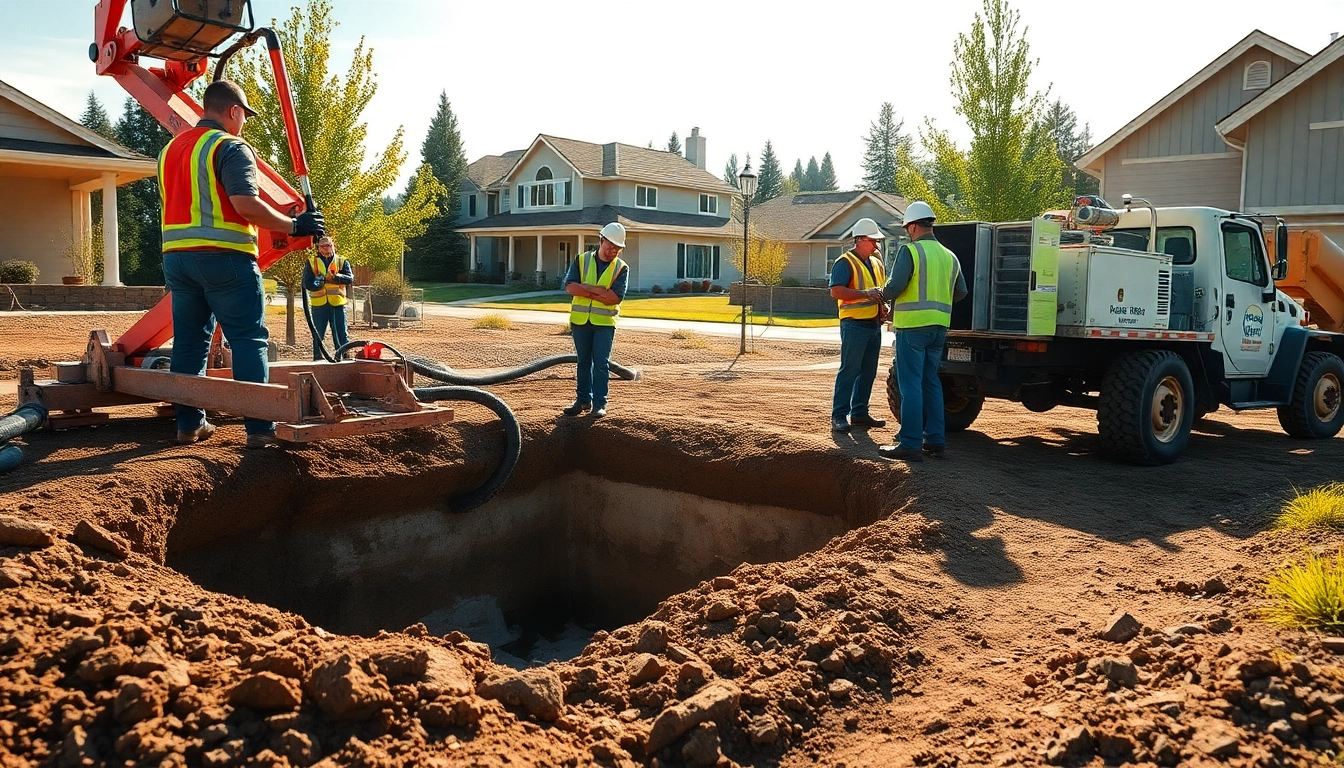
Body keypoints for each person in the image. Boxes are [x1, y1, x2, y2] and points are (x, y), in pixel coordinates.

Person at [160, 80, 325, 449]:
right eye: (244, 116)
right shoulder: (231, 146)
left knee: (188, 342)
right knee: (249, 341)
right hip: (225, 258)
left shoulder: (170, 151)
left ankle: (188, 426)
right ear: (233, 111)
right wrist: (295, 225)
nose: (244, 123)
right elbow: (245, 204)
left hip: (177, 260)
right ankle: (259, 430)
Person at [877, 200, 967, 462]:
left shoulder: (911, 252)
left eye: (907, 228)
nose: (907, 232)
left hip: (912, 329)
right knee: (931, 382)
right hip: (939, 329)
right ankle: (935, 440)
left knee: (910, 386)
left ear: (914, 226)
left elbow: (894, 287)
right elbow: (961, 292)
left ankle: (910, 443)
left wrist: (879, 294)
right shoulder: (950, 256)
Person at [829, 217, 890, 433]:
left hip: (873, 324)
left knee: (868, 371)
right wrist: (866, 295)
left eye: (877, 242)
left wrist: (884, 306)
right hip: (854, 325)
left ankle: (859, 413)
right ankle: (839, 415)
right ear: (860, 239)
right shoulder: (845, 262)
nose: (876, 245)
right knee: (850, 370)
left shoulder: (876, 263)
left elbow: (879, 291)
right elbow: (836, 291)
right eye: (873, 241)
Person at [563, 222, 629, 418]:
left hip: (604, 324)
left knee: (601, 363)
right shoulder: (581, 260)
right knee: (583, 362)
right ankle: (583, 400)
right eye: (610, 246)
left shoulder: (621, 268)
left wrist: (586, 289)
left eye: (617, 248)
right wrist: (598, 292)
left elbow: (614, 298)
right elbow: (569, 287)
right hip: (580, 322)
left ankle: (599, 404)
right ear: (601, 241)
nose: (613, 251)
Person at [303, 235, 353, 359]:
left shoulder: (341, 261)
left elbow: (350, 279)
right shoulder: (311, 262)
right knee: (318, 335)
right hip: (319, 304)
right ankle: (317, 359)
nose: (326, 248)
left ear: (333, 245)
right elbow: (306, 283)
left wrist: (335, 278)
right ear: (319, 248)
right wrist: (317, 284)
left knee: (341, 334)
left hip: (337, 304)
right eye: (323, 246)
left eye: (329, 245)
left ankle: (344, 358)